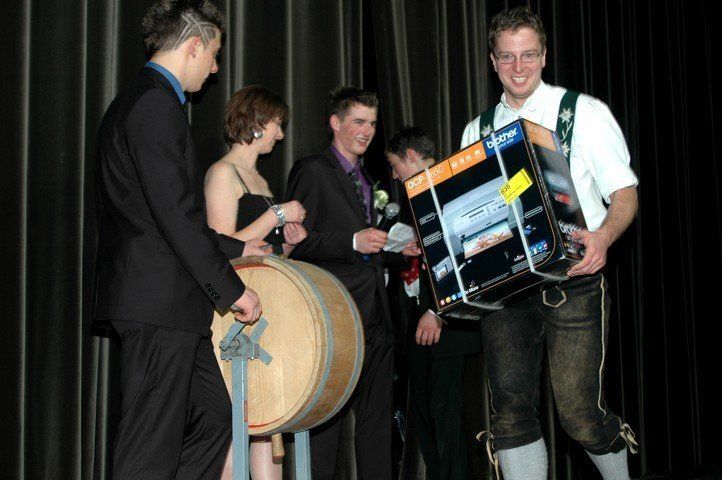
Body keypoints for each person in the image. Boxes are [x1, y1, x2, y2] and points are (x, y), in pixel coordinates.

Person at [459, 7, 639, 480]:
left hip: (574, 278)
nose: (518, 67)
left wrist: (603, 237)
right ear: (493, 61)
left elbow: (625, 194)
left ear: (544, 56)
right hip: (506, 288)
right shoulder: (476, 131)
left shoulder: (584, 112)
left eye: (528, 55)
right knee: (510, 413)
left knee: (579, 413)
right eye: (507, 57)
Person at [93, 1, 262, 478]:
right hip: (158, 305)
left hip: (171, 307)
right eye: (214, 54)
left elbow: (163, 214)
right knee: (149, 447)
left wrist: (239, 249)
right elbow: (173, 216)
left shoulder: (144, 101)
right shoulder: (154, 104)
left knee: (215, 418)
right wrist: (231, 289)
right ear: (193, 46)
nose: (215, 68)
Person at [286, 87, 419, 479]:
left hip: (377, 316)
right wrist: (352, 241)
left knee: (377, 425)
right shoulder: (312, 170)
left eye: (372, 123)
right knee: (325, 423)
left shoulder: (369, 179)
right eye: (359, 121)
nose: (367, 131)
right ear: (335, 122)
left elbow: (368, 251)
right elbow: (295, 244)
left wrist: (400, 252)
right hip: (336, 316)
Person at [204, 85, 307, 480]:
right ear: (257, 122)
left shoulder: (260, 180)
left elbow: (263, 252)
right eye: (277, 124)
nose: (280, 135)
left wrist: (289, 243)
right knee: (236, 420)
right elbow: (219, 245)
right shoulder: (222, 173)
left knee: (267, 423)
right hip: (234, 313)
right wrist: (276, 215)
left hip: (267, 309)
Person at [386, 126, 481, 480]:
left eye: (395, 165)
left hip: (449, 325)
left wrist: (437, 311)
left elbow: (469, 253)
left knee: (447, 417)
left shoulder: (451, 186)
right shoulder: (416, 197)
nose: (394, 175)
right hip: (418, 323)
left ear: (411, 156)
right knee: (425, 415)